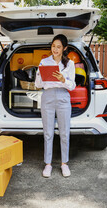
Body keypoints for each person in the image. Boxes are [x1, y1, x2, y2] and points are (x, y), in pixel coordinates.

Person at [35, 34, 76, 178]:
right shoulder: (44, 62)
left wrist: (63, 79)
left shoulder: (69, 64)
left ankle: (64, 163)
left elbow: (72, 86)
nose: (55, 49)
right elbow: (37, 85)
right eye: (53, 46)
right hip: (47, 96)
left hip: (63, 96)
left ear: (64, 48)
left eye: (58, 47)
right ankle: (48, 164)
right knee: (48, 132)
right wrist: (40, 74)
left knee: (64, 132)